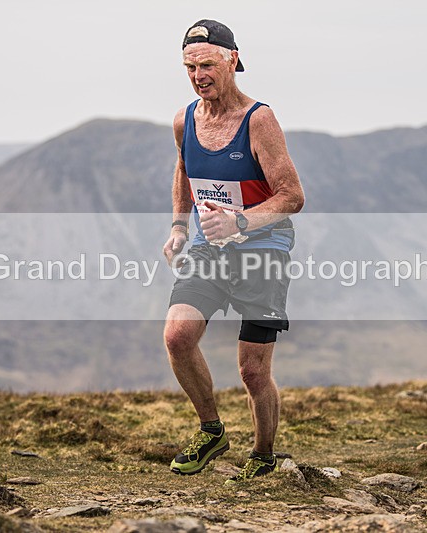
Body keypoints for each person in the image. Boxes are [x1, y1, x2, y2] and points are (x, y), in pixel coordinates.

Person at [162, 19, 305, 483]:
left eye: (206, 64)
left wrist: (242, 220)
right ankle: (211, 430)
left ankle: (263, 453)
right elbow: (184, 171)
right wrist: (180, 227)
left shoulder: (258, 120)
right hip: (208, 246)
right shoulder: (186, 118)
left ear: (232, 60)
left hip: (263, 247)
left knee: (252, 371)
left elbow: (292, 196)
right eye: (189, 66)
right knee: (177, 337)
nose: (198, 75)